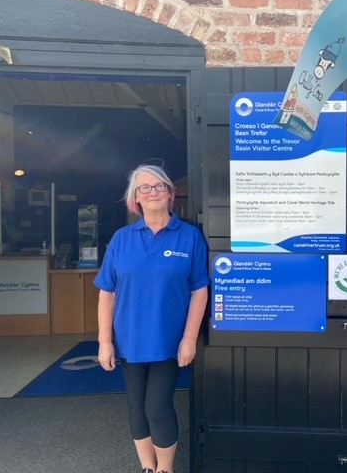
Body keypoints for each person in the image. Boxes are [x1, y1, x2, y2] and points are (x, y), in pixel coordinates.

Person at [95, 164, 209, 473]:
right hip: (129, 340)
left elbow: (200, 289)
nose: (153, 191)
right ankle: (148, 467)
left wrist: (189, 338)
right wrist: (105, 342)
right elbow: (107, 293)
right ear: (135, 199)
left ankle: (165, 469)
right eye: (144, 188)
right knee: (137, 408)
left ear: (171, 194)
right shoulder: (121, 239)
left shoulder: (189, 237)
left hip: (169, 341)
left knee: (157, 407)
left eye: (159, 186)